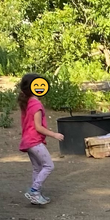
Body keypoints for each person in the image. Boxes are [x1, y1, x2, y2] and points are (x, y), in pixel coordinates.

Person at [18, 73, 64, 205]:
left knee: (37, 168)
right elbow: (38, 127)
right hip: (34, 141)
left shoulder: (27, 102)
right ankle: (34, 190)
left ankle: (35, 196)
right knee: (49, 166)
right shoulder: (36, 105)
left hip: (28, 141)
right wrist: (54, 134)